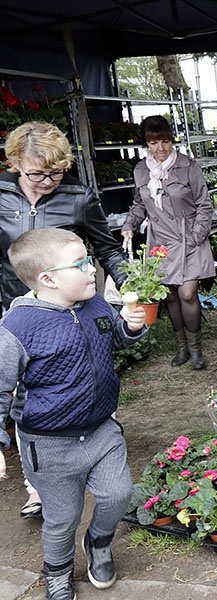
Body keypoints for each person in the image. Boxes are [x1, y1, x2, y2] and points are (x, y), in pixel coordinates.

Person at [0, 228, 147, 600]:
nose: (91, 269)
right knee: (62, 518)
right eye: (80, 263)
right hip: (50, 445)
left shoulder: (94, 302)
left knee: (119, 494)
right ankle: (58, 574)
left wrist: (129, 327)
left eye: (90, 259)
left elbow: (113, 337)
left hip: (101, 430)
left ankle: (98, 542)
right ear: (48, 280)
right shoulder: (17, 328)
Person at [0, 120, 130, 521]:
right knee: (20, 392)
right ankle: (37, 484)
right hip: (12, 309)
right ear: (15, 163)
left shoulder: (78, 197)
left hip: (65, 311)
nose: (49, 181)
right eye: (39, 172)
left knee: (61, 382)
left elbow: (107, 249)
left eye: (57, 172)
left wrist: (129, 285)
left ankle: (90, 451)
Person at [121, 115, 216, 370]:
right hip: (160, 240)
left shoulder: (188, 167)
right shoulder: (141, 170)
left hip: (190, 239)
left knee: (187, 293)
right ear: (146, 144)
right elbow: (140, 204)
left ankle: (196, 350)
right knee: (171, 297)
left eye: (165, 141)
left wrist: (196, 236)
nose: (160, 148)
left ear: (172, 140)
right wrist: (129, 225)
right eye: (153, 143)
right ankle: (182, 348)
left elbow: (205, 206)